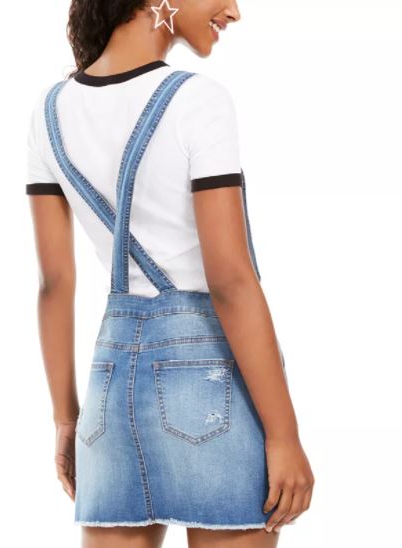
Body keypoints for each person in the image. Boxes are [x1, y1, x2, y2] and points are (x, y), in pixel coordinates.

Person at [26, 1, 315, 547]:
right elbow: (230, 280)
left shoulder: (49, 112)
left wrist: (66, 419)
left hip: (108, 390)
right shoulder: (197, 100)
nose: (233, 11)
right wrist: (284, 435)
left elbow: (54, 284)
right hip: (210, 380)